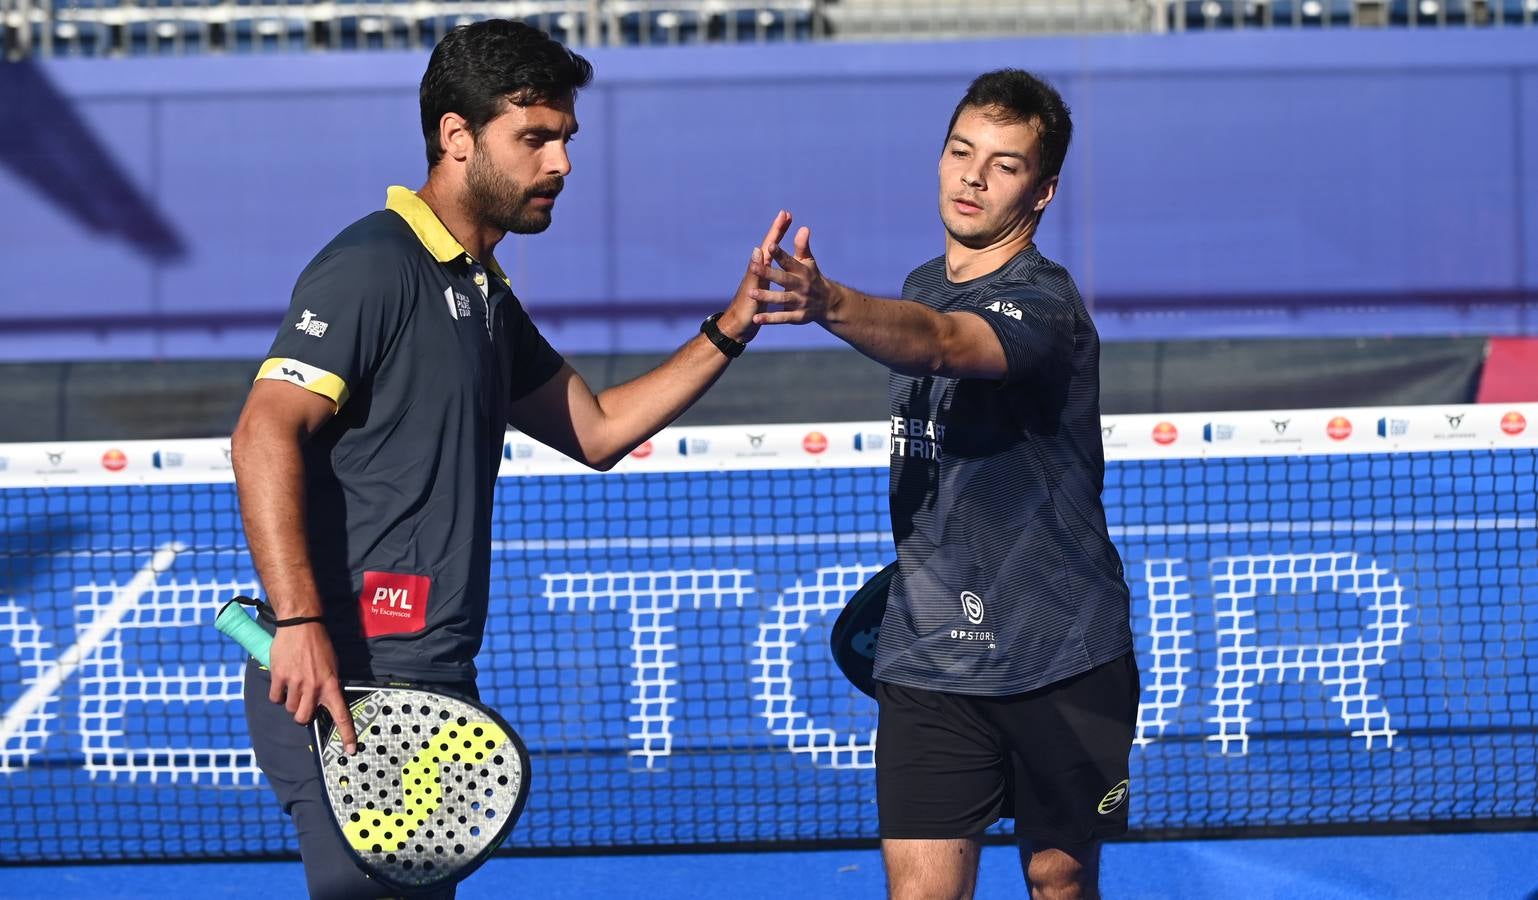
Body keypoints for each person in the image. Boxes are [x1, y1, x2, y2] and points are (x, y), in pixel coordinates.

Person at [229, 21, 772, 898]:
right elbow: (262, 431)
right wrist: (296, 624)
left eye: (564, 139)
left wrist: (730, 330)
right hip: (343, 679)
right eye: (534, 138)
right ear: (456, 136)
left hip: (433, 679)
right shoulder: (374, 266)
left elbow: (595, 432)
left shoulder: (481, 291)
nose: (559, 163)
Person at [749, 70, 1136, 900]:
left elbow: (945, 345)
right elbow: (927, 323)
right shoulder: (924, 278)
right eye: (961, 152)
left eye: (1004, 164)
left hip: (1061, 653)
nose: (972, 176)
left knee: (1059, 882)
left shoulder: (1045, 305)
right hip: (929, 661)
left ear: (1043, 191)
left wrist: (827, 301)